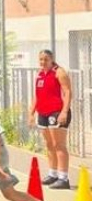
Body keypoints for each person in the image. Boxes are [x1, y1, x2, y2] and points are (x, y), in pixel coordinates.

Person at [29, 50, 72, 190]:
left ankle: (63, 178)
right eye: (40, 59)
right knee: (49, 144)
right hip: (43, 113)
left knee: (59, 144)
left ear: (52, 59)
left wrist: (64, 111)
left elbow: (67, 92)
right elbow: (37, 95)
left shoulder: (59, 72)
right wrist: (31, 112)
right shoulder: (40, 74)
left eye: (46, 59)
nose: (43, 62)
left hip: (57, 112)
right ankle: (53, 174)